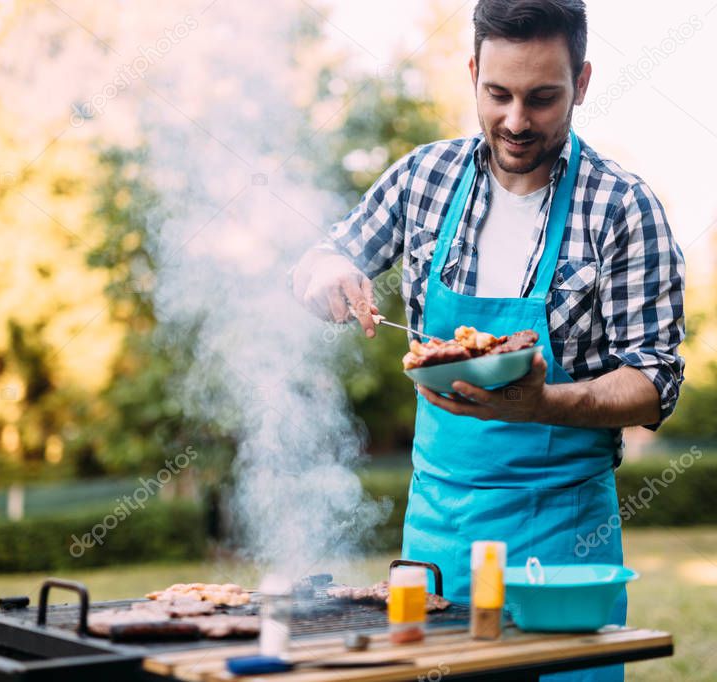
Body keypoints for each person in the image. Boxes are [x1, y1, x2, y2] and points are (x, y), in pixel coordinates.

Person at [292, 1, 685, 679]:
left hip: (561, 552)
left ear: (582, 83)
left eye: (542, 98)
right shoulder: (424, 179)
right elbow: (322, 256)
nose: (515, 120)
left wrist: (542, 404)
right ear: (472, 72)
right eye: (497, 94)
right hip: (437, 543)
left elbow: (652, 382)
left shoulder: (622, 208)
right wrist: (327, 272)